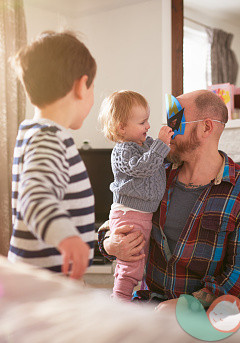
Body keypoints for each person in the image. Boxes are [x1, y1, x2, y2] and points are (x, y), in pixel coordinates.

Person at [98, 89, 240, 309]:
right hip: (147, 302)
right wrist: (110, 244)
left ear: (206, 127)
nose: (167, 129)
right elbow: (120, 219)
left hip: (203, 312)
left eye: (176, 121)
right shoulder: (158, 172)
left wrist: (186, 306)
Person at [8, 31, 97, 280]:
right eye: (93, 89)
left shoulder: (32, 132)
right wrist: (67, 237)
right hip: (44, 279)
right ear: (81, 86)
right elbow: (35, 195)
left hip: (35, 274)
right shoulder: (50, 138)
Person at [98, 90, 173, 301]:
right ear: (122, 127)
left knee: (139, 264)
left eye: (147, 120)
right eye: (142, 122)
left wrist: (164, 144)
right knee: (131, 264)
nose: (148, 126)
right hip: (129, 215)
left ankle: (130, 299)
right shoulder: (122, 150)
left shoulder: (146, 144)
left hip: (142, 214)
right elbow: (143, 168)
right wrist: (161, 144)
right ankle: (119, 303)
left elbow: (160, 160)